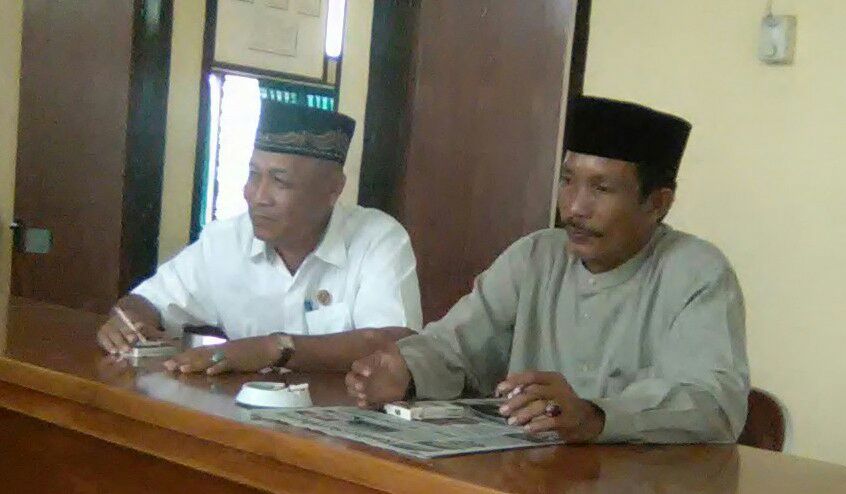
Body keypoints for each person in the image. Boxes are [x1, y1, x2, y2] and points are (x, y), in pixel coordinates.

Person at [346, 96, 750, 444]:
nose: (574, 207)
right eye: (568, 181)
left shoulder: (697, 273)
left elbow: (712, 403)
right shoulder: (536, 256)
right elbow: (455, 346)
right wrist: (405, 371)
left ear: (658, 203)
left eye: (601, 189)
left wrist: (596, 417)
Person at [97, 101, 422, 374]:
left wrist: (274, 349)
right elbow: (147, 301)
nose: (258, 196)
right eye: (254, 175)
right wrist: (127, 323)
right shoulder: (225, 241)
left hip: (342, 418)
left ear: (333, 189)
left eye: (280, 181)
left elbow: (397, 341)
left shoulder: (377, 239)